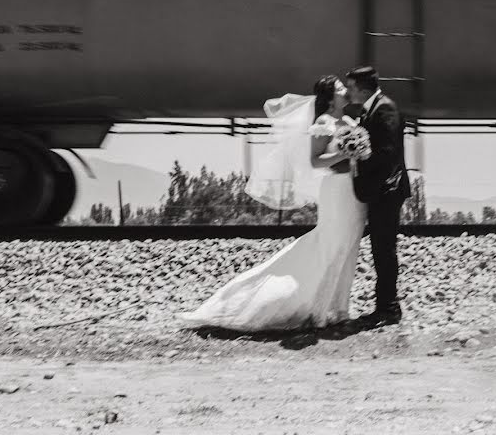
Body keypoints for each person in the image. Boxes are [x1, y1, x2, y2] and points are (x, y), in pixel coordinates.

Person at [176, 75, 368, 332]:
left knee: (348, 246)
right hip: (335, 190)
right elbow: (315, 161)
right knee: (331, 245)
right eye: (340, 88)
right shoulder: (323, 123)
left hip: (354, 193)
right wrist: (344, 152)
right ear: (330, 96)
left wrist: (360, 152)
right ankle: (319, 310)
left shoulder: (348, 121)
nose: (346, 90)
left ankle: (339, 309)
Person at [345, 66, 411, 328]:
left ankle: (389, 308)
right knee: (380, 249)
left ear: (362, 88)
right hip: (382, 190)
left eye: (350, 88)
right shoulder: (374, 108)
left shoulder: (385, 108)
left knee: (384, 250)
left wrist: (358, 161)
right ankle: (385, 305)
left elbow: (387, 152)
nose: (348, 92)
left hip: (387, 190)